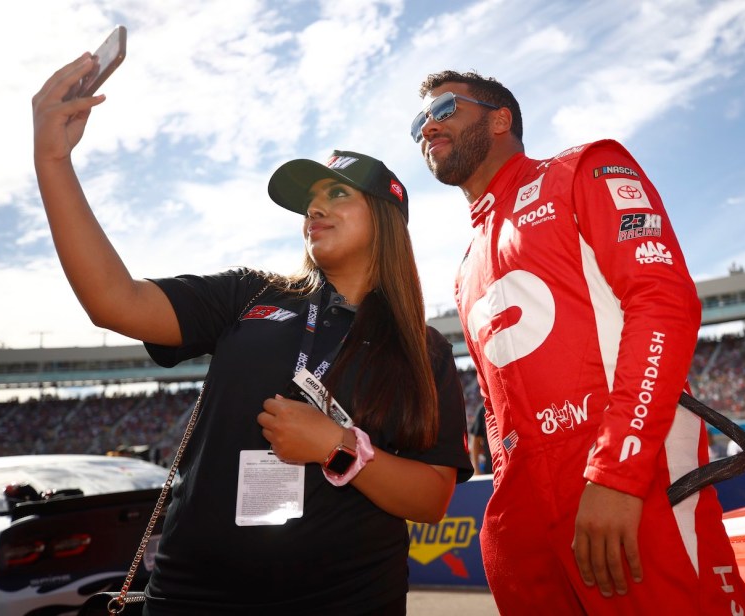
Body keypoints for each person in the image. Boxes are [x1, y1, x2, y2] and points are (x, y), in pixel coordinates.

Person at [32, 53, 473, 615]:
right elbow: (114, 301)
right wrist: (53, 159)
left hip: (347, 600)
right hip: (192, 597)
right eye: (311, 200)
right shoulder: (251, 294)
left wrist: (339, 448)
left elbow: (433, 497)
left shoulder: (423, 346)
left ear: (386, 217)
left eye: (339, 194)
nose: (315, 207)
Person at [413, 70, 745, 615]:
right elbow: (496, 411)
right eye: (419, 122)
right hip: (525, 532)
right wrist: (507, 525)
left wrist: (619, 473)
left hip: (629, 491)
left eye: (445, 108)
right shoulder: (464, 266)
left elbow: (664, 303)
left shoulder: (584, 168)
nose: (428, 126)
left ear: (501, 119)